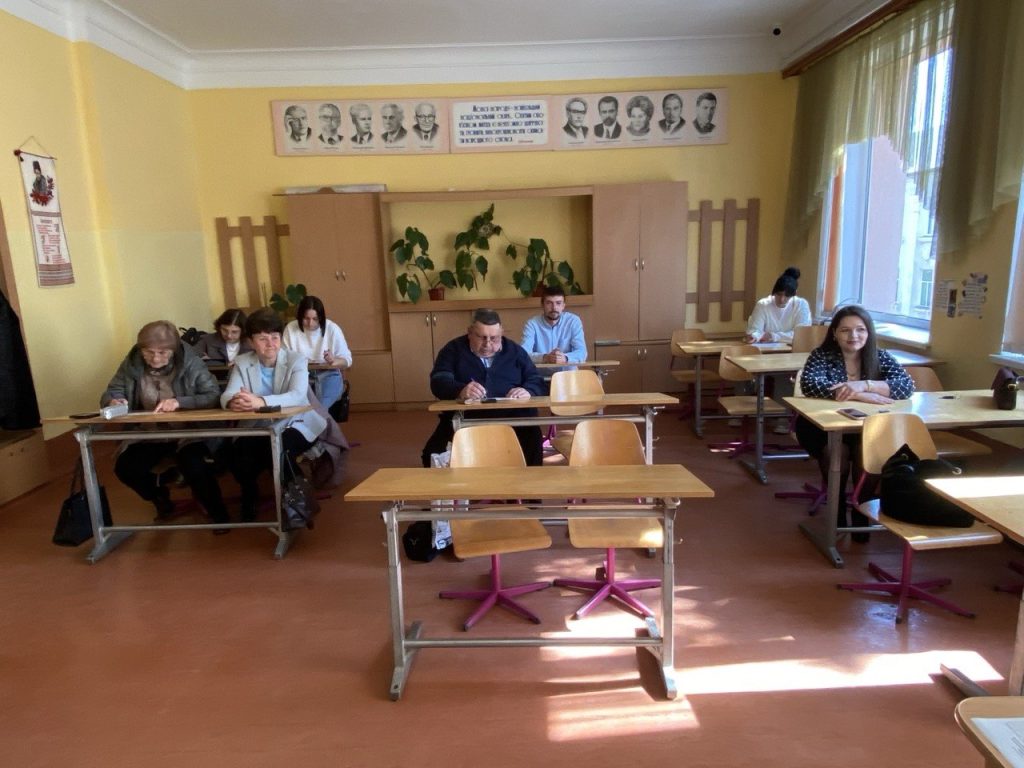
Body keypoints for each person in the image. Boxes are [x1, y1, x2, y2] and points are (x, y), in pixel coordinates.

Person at [795, 305, 914, 540]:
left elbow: (906, 386)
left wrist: (864, 385)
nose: (853, 336)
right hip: (821, 428)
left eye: (860, 330)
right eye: (845, 330)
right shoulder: (822, 355)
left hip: (864, 429)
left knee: (866, 453)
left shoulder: (879, 357)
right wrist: (859, 396)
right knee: (836, 451)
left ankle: (862, 513)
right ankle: (837, 512)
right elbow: (810, 384)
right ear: (834, 333)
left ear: (869, 332)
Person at [101, 321, 229, 528]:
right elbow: (113, 390)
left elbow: (213, 395)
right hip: (151, 433)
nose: (155, 358)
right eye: (149, 352)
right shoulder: (132, 363)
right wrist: (114, 401)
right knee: (126, 468)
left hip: (190, 432)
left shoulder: (190, 362)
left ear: (174, 350)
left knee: (195, 465)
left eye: (162, 353)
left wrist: (180, 402)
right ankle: (160, 496)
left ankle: (218, 514)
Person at [221, 308, 328, 522]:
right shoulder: (243, 362)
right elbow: (229, 394)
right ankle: (250, 495)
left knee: (280, 451)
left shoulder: (296, 360)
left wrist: (260, 402)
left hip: (296, 423)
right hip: (258, 425)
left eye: (275, 337)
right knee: (236, 454)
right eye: (262, 339)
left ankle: (298, 508)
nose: (270, 344)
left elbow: (297, 395)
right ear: (251, 342)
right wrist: (234, 401)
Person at [421, 308, 545, 467]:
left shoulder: (515, 351)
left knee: (532, 446)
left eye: (494, 338)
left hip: (513, 418)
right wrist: (460, 390)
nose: (488, 344)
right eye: (482, 337)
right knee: (432, 454)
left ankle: (527, 483)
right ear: (470, 333)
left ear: (501, 332)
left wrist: (528, 390)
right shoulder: (453, 350)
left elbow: (536, 379)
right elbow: (438, 381)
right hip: (465, 418)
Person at [282, 295, 352, 411]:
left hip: (328, 374)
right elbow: (282, 358)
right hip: (301, 374)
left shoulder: (332, 328)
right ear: (299, 316)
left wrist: (334, 360)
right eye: (306, 318)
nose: (310, 323)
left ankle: (317, 417)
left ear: (321, 317)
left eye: (315, 319)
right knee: (302, 405)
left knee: (319, 408)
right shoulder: (291, 328)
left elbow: (347, 360)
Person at [520, 285, 587, 371]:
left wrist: (565, 358)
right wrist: (544, 357)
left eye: (558, 303)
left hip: (568, 376)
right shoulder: (532, 324)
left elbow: (582, 352)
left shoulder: (573, 321)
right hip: (540, 377)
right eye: (549, 303)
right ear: (542, 305)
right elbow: (523, 354)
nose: (554, 308)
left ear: (563, 306)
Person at [745, 267, 813, 344]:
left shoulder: (801, 305)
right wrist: (754, 336)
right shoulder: (763, 304)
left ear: (794, 293)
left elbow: (801, 335)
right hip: (766, 349)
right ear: (774, 291)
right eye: (779, 294)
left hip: (793, 349)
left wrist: (773, 336)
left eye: (787, 296)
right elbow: (755, 331)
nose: (782, 299)